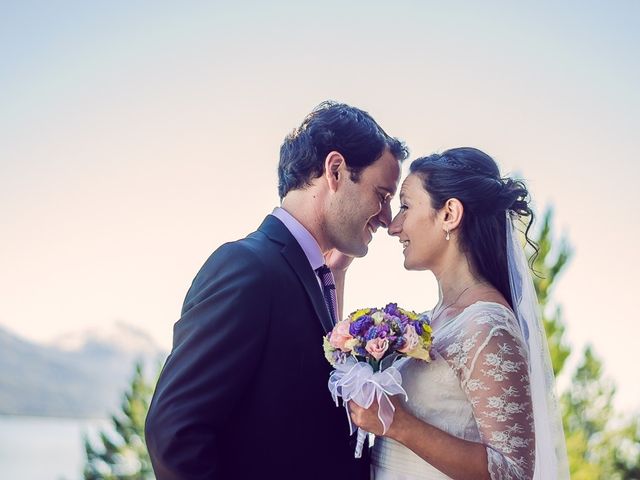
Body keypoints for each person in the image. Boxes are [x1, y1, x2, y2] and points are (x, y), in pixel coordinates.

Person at [144, 101, 408, 479]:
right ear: (335, 171)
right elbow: (173, 432)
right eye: (382, 195)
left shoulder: (314, 274)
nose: (386, 217)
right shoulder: (246, 267)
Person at [348, 147, 569, 479]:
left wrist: (399, 425)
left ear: (449, 214)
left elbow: (513, 471)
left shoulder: (488, 326)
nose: (393, 226)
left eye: (406, 206)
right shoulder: (427, 321)